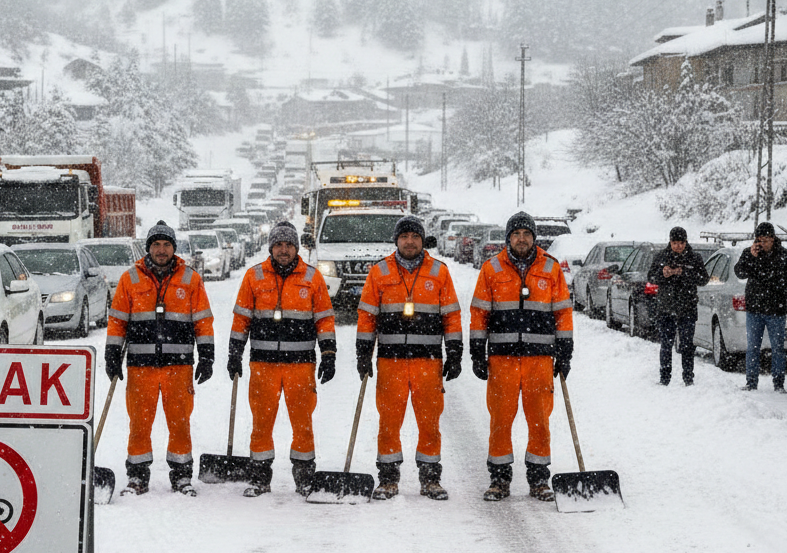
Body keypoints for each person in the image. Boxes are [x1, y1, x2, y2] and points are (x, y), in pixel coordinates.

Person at [356, 215, 463, 501]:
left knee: (430, 423)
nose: (410, 241)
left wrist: (454, 351)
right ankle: (388, 479)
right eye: (404, 236)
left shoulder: (439, 272)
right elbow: (367, 316)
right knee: (389, 422)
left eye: (415, 236)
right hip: (390, 362)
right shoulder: (379, 272)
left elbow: (451, 315)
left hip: (428, 362)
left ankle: (430, 479)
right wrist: (363, 353)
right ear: (397, 240)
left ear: (422, 240)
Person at [105, 220, 215, 496]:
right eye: (156, 244)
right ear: (148, 248)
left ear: (174, 248)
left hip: (179, 365)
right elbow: (117, 321)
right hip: (140, 366)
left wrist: (207, 355)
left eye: (167, 245)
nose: (162, 250)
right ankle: (137, 477)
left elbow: (203, 321)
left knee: (180, 423)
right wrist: (112, 354)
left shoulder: (190, 279)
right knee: (139, 424)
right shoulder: (130, 279)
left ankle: (181, 476)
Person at [469, 211, 572, 503]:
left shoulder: (551, 268)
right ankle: (499, 479)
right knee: (500, 420)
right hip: (502, 359)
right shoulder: (491, 268)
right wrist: (477, 351)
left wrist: (565, 351)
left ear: (534, 238)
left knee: (539, 420)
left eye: (527, 234)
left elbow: (563, 313)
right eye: (516, 234)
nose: (522, 239)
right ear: (508, 238)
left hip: (540, 359)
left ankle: (539, 479)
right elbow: (479, 313)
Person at [228, 220, 336, 497]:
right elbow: (241, 319)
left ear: (297, 248)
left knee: (303, 423)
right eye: (278, 244)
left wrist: (328, 354)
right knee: (261, 423)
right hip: (263, 365)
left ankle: (304, 477)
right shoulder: (254, 276)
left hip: (301, 365)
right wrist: (234, 352)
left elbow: (324, 319)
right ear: (271, 248)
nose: (284, 250)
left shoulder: (312, 277)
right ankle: (260, 478)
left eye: (289, 245)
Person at [733, 222, 787, 392]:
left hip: (776, 309)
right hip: (754, 308)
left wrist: (784, 293)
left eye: (765, 240)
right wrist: (751, 256)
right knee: (753, 347)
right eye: (759, 240)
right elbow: (739, 272)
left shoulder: (785, 255)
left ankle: (778, 383)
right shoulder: (750, 253)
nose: (762, 244)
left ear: (772, 238)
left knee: (778, 348)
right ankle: (751, 382)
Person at [646, 226, 710, 386]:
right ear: (670, 242)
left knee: (687, 345)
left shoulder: (694, 258)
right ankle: (664, 377)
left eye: (681, 243)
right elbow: (651, 277)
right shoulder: (661, 256)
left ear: (686, 242)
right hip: (666, 308)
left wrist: (684, 273)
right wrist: (663, 274)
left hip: (687, 308)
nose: (678, 246)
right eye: (675, 243)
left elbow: (703, 279)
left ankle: (688, 378)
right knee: (666, 344)